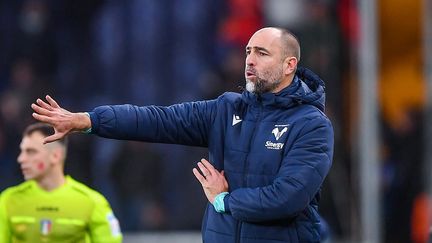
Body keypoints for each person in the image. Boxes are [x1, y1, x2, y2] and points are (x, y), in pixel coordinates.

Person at [31, 27, 334, 242]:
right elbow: (158, 120)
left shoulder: (311, 125)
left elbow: (287, 198)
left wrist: (225, 201)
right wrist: (90, 120)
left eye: (262, 53)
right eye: (248, 51)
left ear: (289, 65)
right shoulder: (226, 109)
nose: (250, 60)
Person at [0, 123, 122, 243]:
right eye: (22, 151)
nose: (21, 159)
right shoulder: (8, 200)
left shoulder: (92, 202)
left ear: (55, 156)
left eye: (31, 152)